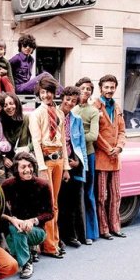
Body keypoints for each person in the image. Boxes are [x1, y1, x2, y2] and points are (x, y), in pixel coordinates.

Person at [28, 76, 70, 259]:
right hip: (45, 160)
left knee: (55, 203)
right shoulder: (36, 114)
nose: (46, 95)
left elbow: (62, 141)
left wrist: (66, 166)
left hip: (59, 160)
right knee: (48, 203)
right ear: (39, 94)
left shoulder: (60, 113)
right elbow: (36, 142)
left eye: (49, 92)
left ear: (54, 93)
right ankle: (50, 246)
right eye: (42, 92)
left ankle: (54, 240)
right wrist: (41, 166)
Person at [1, 152, 52, 279]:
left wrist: (33, 220)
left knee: (17, 231)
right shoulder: (8, 185)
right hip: (14, 226)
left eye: (30, 166)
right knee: (15, 229)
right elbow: (1, 210)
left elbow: (50, 213)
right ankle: (28, 251)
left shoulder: (43, 185)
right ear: (16, 169)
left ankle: (26, 264)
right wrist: (13, 220)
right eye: (23, 167)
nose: (28, 170)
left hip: (37, 230)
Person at [93, 74, 127, 240]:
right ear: (101, 88)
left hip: (115, 159)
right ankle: (103, 229)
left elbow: (122, 131)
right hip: (101, 158)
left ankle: (115, 226)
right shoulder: (95, 106)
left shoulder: (117, 107)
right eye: (106, 87)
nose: (109, 90)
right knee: (101, 196)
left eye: (112, 87)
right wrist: (108, 149)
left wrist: (119, 147)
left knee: (116, 194)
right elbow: (95, 134)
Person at [57, 86, 88, 248]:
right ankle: (58, 237)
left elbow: (81, 144)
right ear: (62, 98)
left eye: (73, 101)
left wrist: (79, 162)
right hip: (58, 163)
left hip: (73, 163)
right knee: (59, 201)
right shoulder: (54, 115)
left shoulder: (76, 119)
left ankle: (71, 236)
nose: (69, 103)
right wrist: (63, 164)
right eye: (67, 99)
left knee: (71, 203)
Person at [72, 77, 100, 243]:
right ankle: (76, 233)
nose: (85, 91)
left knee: (89, 194)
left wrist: (76, 138)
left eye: (89, 89)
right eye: (82, 88)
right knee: (75, 195)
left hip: (87, 155)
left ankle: (90, 232)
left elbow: (93, 135)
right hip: (72, 156)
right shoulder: (72, 109)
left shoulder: (93, 111)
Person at [0, 92, 31, 174]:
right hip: (8, 164)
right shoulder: (0, 123)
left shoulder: (27, 119)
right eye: (5, 105)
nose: (9, 107)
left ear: (17, 103)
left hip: (24, 161)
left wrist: (28, 149)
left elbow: (36, 140)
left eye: (11, 103)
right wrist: (3, 158)